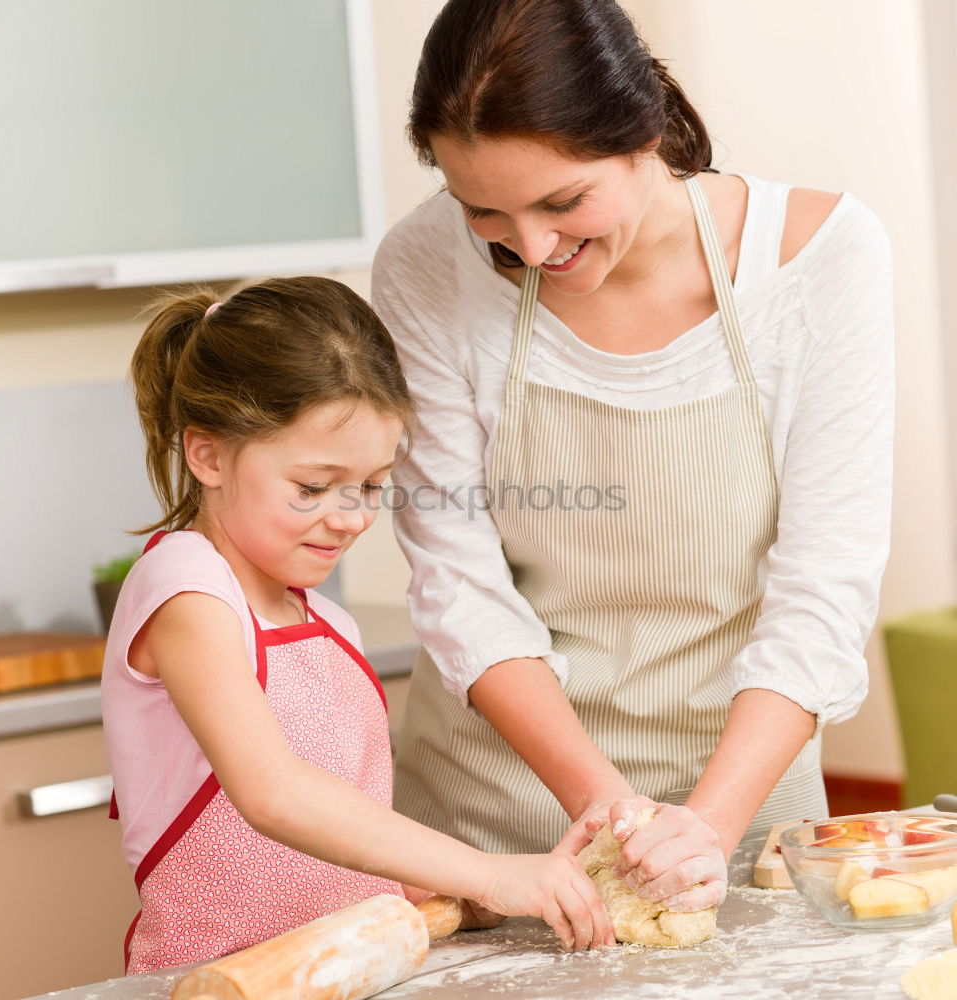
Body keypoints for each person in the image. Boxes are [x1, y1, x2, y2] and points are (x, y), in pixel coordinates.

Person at [372, 0, 894, 916]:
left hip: (740, 819)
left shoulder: (817, 260)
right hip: (497, 833)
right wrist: (609, 811)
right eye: (484, 210)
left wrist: (703, 831)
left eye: (564, 201)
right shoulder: (425, 265)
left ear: (647, 134)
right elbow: (459, 582)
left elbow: (823, 587)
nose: (531, 249)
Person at [101, 276, 614, 974]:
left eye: (370, 486)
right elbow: (274, 795)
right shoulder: (186, 590)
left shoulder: (329, 623)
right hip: (219, 981)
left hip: (348, 970)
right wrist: (486, 870)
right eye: (312, 488)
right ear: (208, 456)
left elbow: (333, 839)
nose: (350, 516)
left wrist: (435, 882)